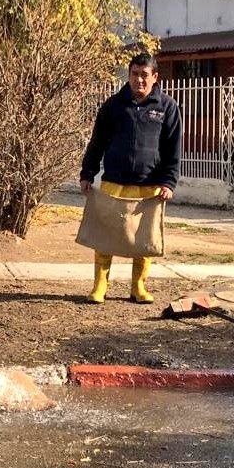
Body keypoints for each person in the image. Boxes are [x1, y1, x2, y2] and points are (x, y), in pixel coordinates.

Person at [79, 54, 181, 304]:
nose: (139, 80)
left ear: (155, 77)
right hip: (114, 181)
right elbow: (97, 142)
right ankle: (100, 285)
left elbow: (173, 149)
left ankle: (138, 286)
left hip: (149, 185)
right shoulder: (114, 105)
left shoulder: (167, 107)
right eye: (135, 74)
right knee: (106, 234)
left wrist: (168, 182)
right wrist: (87, 173)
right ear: (129, 75)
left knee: (144, 239)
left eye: (144, 75)